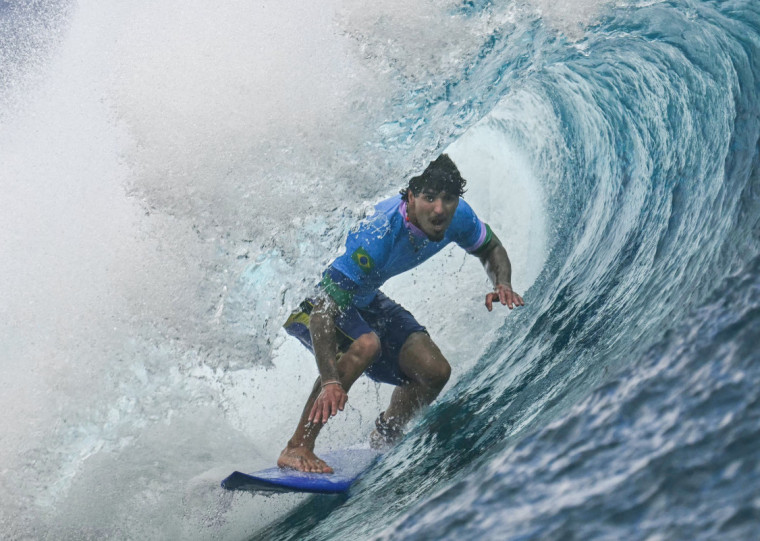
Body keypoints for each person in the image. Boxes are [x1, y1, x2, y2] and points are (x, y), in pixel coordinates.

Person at [278, 154, 524, 473]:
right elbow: (324, 311)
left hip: (361, 296)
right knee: (366, 344)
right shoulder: (377, 236)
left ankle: (386, 433)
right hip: (309, 298)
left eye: (448, 199)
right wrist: (330, 381)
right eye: (429, 198)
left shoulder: (458, 217)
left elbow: (490, 247)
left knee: (434, 371)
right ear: (410, 197)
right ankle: (298, 446)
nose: (439, 209)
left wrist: (502, 282)